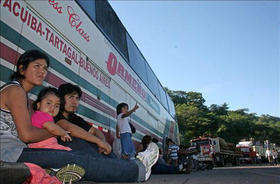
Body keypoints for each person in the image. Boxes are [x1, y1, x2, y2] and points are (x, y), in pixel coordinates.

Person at [0, 49, 159, 183]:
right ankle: (138, 169)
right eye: (36, 66)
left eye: (45, 68)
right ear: (21, 69)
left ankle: (54, 172)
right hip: (8, 154)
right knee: (77, 158)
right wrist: (57, 131)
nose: (42, 71)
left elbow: (31, 131)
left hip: (18, 151)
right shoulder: (15, 91)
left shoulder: (25, 98)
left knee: (76, 156)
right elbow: (27, 135)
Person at [54, 83, 113, 157]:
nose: (75, 102)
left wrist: (102, 142)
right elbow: (69, 128)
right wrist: (98, 141)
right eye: (71, 97)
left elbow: (95, 131)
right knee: (77, 141)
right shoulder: (54, 113)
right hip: (57, 154)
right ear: (61, 99)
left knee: (108, 152)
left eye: (77, 98)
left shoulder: (74, 118)